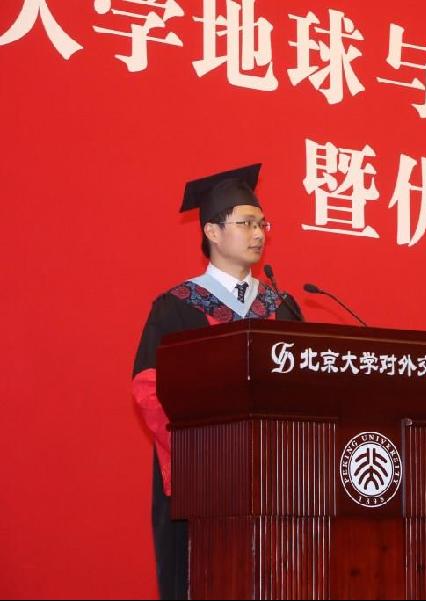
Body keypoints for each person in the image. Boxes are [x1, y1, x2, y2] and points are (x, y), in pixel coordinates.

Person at [131, 163, 303, 600]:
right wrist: (206, 452)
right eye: (246, 224)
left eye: (262, 224)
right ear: (212, 230)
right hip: (203, 484)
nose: (258, 234)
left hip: (279, 482)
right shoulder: (177, 308)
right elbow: (150, 389)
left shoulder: (281, 307)